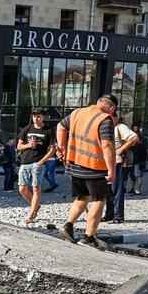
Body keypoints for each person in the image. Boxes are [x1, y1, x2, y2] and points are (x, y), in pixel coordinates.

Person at [56, 94, 120, 249]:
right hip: (95, 167)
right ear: (112, 108)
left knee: (82, 197)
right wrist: (112, 170)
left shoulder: (78, 112)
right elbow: (107, 146)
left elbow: (60, 126)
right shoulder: (105, 119)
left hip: (75, 163)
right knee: (99, 200)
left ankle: (68, 226)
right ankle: (89, 236)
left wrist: (62, 147)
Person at [16, 110, 55, 226]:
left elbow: (53, 150)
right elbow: (19, 146)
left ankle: (31, 214)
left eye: (38, 116)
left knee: (36, 188)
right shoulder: (27, 129)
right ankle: (36, 206)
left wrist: (41, 162)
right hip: (25, 162)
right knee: (22, 189)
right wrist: (29, 145)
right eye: (34, 116)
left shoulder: (49, 130)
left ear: (43, 117)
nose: (36, 119)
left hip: (38, 163)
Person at [103, 115, 140, 224]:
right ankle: (109, 214)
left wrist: (120, 150)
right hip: (106, 162)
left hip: (117, 162)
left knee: (117, 189)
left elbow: (134, 138)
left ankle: (118, 216)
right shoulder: (107, 128)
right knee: (108, 190)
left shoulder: (120, 127)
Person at [130, 124, 148, 195]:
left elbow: (143, 155)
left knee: (138, 176)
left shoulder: (138, 146)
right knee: (134, 176)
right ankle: (134, 189)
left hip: (137, 162)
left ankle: (137, 190)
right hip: (136, 162)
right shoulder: (140, 145)